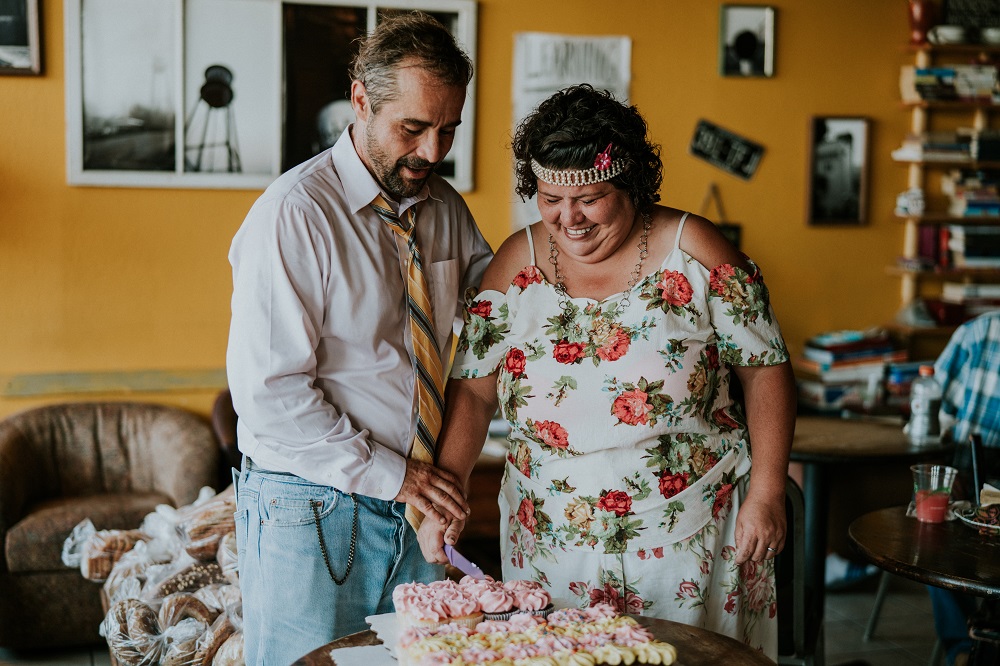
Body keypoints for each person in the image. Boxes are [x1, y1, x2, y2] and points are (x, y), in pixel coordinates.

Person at [418, 84, 797, 658]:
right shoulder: (516, 265)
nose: (566, 219)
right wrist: (448, 497)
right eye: (548, 198)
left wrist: (768, 490)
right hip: (549, 538)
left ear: (632, 186)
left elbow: (765, 371)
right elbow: (472, 393)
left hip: (688, 534)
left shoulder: (696, 252)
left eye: (589, 199)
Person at [226, 12, 493, 665]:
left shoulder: (446, 209)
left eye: (448, 130)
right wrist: (398, 478)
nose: (433, 152)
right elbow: (270, 397)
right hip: (312, 508)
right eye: (413, 128)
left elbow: (495, 320)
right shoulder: (294, 215)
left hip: (418, 507)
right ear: (360, 102)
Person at [927, 311, 1000, 666]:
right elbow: (934, 402)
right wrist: (946, 464)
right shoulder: (980, 332)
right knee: (933, 531)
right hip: (968, 472)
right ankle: (962, 647)